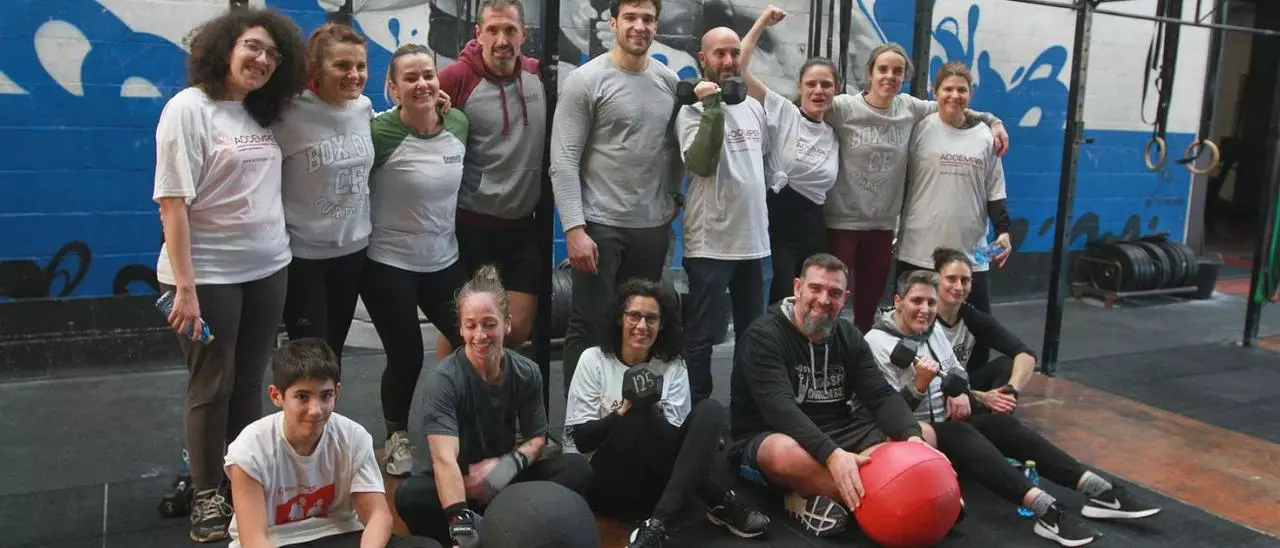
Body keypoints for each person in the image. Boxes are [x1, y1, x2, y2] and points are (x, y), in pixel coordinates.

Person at [865, 269, 1162, 547]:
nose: (925, 310)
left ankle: (1098, 490)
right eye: (917, 301)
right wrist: (919, 384)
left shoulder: (932, 329)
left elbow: (956, 371)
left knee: (1003, 425)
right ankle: (1045, 510)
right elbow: (887, 414)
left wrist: (960, 393)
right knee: (960, 433)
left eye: (931, 303)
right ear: (898, 301)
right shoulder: (876, 343)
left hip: (947, 423)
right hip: (908, 439)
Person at [152, 7, 305, 542]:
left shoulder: (263, 111)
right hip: (207, 275)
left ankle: (242, 480)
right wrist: (185, 288)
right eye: (252, 47)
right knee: (211, 384)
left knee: (248, 381)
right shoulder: (188, 109)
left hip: (267, 267)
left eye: (272, 54)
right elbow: (172, 203)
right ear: (224, 49)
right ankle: (206, 493)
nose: (262, 60)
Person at [728, 253, 937, 538]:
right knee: (782, 453)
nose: (824, 300)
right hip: (776, 434)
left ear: (845, 298)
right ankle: (888, 504)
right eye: (815, 288)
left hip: (840, 433)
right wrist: (832, 455)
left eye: (835, 293)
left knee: (924, 434)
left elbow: (880, 395)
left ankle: (811, 496)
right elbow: (779, 408)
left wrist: (912, 438)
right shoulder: (763, 336)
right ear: (798, 287)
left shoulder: (848, 335)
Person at [393, 266, 594, 547]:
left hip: (501, 481)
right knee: (410, 495)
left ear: (507, 324)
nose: (480, 335)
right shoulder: (443, 380)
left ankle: (502, 526)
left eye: (489, 324)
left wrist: (505, 468)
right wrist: (460, 522)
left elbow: (537, 438)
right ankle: (478, 530)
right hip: (456, 485)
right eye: (471, 325)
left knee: (576, 468)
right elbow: (444, 459)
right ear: (460, 328)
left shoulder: (526, 372)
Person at [564, 279, 770, 547]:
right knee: (637, 412)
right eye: (634, 316)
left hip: (658, 486)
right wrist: (623, 411)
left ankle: (656, 526)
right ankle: (718, 499)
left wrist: (653, 412)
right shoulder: (593, 359)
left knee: (710, 410)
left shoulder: (672, 365)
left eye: (651, 319)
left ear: (662, 325)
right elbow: (581, 440)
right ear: (620, 318)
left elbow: (678, 450)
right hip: (610, 484)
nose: (642, 326)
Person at [822, 43, 1009, 333]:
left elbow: (994, 187)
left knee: (976, 328)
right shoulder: (851, 108)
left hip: (946, 244)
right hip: (872, 232)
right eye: (883, 69)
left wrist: (994, 121)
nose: (890, 76)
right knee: (835, 303)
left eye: (897, 71)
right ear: (870, 72)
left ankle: (861, 356)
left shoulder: (917, 112)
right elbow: (804, 108)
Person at [549, 0, 684, 390]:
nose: (639, 26)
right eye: (631, 18)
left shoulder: (668, 82)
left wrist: (673, 197)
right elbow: (563, 161)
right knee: (590, 325)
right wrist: (574, 229)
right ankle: (581, 416)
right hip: (599, 227)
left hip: (650, 229)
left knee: (639, 328)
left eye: (648, 19)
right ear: (613, 23)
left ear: (656, 26)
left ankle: (627, 411)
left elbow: (673, 148)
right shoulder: (586, 81)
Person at [364, 44, 470, 476]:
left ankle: (463, 425)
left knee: (473, 342)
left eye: (428, 74)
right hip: (388, 263)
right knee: (406, 355)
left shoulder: (458, 123)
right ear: (393, 88)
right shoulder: (378, 132)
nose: (422, 83)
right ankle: (396, 437)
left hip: (444, 258)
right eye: (411, 78)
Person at [224, 339, 442, 548]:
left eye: (325, 396)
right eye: (302, 397)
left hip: (340, 534)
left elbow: (378, 516)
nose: (315, 410)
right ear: (276, 396)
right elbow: (254, 540)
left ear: (337, 392)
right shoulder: (250, 449)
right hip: (279, 539)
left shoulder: (353, 436)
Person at [438, 0, 546, 351]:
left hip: (520, 226)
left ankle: (496, 389)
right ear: (478, 33)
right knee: (460, 330)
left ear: (524, 34)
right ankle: (449, 388)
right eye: (493, 30)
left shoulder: (539, 76)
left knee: (515, 331)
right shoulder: (456, 78)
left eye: (510, 30)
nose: (502, 40)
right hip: (468, 224)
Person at [675, 26, 773, 404]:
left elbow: (760, 165)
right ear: (703, 59)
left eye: (735, 52)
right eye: (720, 53)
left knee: (753, 337)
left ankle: (745, 414)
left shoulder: (754, 108)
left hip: (754, 243)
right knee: (702, 336)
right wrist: (712, 105)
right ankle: (697, 414)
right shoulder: (690, 111)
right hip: (711, 244)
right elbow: (701, 162)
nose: (729, 60)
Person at [898, 61, 1013, 368]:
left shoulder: (986, 136)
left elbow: (995, 191)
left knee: (979, 330)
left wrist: (1003, 230)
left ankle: (971, 386)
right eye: (947, 89)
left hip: (971, 252)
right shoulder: (920, 127)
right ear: (934, 92)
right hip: (918, 249)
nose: (954, 95)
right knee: (912, 327)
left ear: (970, 93)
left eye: (961, 89)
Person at [275, 23, 374, 365]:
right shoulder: (288, 113)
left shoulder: (363, 108)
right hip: (304, 259)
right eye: (342, 66)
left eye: (360, 66)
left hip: (353, 253)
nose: (354, 75)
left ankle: (330, 404)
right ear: (316, 68)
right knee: (311, 359)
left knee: (334, 354)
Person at [741, 5, 840, 306]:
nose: (818, 90)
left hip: (814, 230)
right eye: (811, 84)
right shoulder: (784, 112)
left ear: (836, 90)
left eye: (826, 85)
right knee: (781, 302)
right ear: (800, 87)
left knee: (813, 303)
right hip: (778, 225)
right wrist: (761, 22)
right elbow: (740, 69)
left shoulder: (835, 131)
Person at [932, 247, 1034, 397]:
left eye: (965, 280)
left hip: (963, 392)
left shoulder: (972, 317)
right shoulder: (924, 316)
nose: (959, 287)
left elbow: (1026, 355)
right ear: (936, 280)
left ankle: (1000, 409)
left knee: (1008, 365)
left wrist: (1012, 389)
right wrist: (981, 397)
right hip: (930, 393)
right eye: (951, 279)